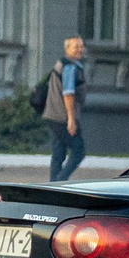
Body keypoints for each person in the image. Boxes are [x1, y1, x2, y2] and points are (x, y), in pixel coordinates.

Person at [44, 36, 87, 182]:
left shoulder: (61, 64)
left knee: (59, 151)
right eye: (76, 47)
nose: (80, 50)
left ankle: (53, 185)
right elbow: (68, 94)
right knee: (79, 151)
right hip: (62, 117)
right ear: (67, 49)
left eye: (81, 46)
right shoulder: (69, 66)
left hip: (52, 115)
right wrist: (71, 119)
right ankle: (60, 180)